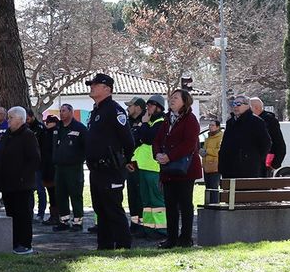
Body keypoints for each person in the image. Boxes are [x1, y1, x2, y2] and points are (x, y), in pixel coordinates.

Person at [84, 73, 134, 250]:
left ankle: (123, 245)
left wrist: (126, 161)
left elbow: (128, 140)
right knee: (100, 209)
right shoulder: (95, 111)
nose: (91, 87)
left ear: (107, 88)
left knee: (113, 208)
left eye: (95, 85)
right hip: (96, 169)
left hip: (111, 168)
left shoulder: (115, 110)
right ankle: (104, 246)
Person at [154, 89, 203, 248]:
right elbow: (157, 140)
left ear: (185, 101)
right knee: (170, 205)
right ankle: (171, 238)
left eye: (175, 97)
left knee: (185, 204)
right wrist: (157, 155)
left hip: (185, 170)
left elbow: (189, 144)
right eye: (171, 97)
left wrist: (170, 156)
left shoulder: (190, 119)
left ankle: (185, 238)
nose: (171, 100)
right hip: (168, 170)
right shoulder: (167, 119)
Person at [0, 107, 41, 255]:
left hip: (23, 185)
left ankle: (25, 243)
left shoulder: (28, 135)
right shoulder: (8, 135)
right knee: (11, 214)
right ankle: (14, 241)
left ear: (20, 119)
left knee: (23, 215)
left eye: (10, 117)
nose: (7, 120)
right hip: (8, 185)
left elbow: (34, 159)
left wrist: (23, 177)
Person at [130, 95, 166, 233]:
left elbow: (148, 138)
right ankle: (150, 228)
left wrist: (143, 124)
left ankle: (161, 229)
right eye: (148, 104)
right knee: (146, 202)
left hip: (154, 167)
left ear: (159, 107)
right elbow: (138, 137)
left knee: (156, 200)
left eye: (151, 104)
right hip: (144, 167)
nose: (148, 107)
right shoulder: (150, 122)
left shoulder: (161, 121)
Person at [51, 103, 88, 232]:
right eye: (60, 111)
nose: (61, 113)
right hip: (59, 167)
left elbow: (86, 146)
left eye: (64, 111)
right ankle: (64, 221)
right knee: (60, 194)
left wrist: (81, 159)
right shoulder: (58, 128)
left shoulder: (79, 128)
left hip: (74, 167)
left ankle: (77, 221)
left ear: (71, 112)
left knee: (75, 194)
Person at [219, 95, 271, 180]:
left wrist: (253, 159)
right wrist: (222, 164)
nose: (235, 106)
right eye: (234, 104)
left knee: (246, 192)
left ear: (247, 105)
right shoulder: (230, 123)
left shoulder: (256, 122)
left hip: (248, 170)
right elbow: (225, 145)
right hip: (229, 169)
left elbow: (266, 143)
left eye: (238, 104)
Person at [250, 98, 286, 176]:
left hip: (266, 164)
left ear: (256, 108)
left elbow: (279, 143)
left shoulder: (270, 121)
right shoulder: (250, 121)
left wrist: (275, 164)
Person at [39, 115, 60, 225]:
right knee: (51, 193)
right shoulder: (45, 133)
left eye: (49, 122)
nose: (47, 124)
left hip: (53, 167)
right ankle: (54, 215)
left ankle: (57, 215)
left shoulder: (56, 132)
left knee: (55, 193)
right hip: (46, 167)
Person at [202, 120, 223, 203]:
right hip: (206, 165)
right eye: (209, 125)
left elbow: (219, 151)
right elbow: (205, 150)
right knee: (208, 187)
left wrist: (208, 151)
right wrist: (202, 152)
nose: (210, 127)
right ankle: (208, 204)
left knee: (214, 187)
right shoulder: (208, 137)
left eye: (212, 125)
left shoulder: (221, 136)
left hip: (215, 165)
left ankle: (214, 203)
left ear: (217, 127)